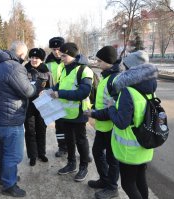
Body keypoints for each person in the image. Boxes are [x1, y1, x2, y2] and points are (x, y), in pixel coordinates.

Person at [0, 41, 37, 197]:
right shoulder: (14, 67)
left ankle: (5, 177)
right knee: (14, 154)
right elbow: (28, 91)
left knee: (4, 150)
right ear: (21, 54)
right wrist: (35, 85)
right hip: (10, 118)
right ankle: (9, 185)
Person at [106, 50, 156, 199]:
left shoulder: (128, 90)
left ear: (130, 68)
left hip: (130, 149)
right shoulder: (150, 87)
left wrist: (111, 107)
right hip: (144, 144)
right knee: (141, 179)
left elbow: (122, 123)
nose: (122, 67)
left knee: (128, 184)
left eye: (124, 65)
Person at [49, 42, 93, 182]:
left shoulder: (84, 70)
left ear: (72, 55)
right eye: (60, 55)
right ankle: (71, 163)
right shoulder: (64, 68)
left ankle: (83, 167)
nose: (61, 58)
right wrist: (51, 90)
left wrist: (60, 94)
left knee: (81, 140)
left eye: (64, 55)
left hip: (79, 113)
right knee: (69, 140)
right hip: (65, 112)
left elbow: (83, 92)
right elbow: (60, 84)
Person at [84, 46, 121, 199]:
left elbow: (115, 109)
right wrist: (94, 108)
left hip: (111, 126)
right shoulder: (106, 77)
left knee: (112, 159)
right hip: (102, 125)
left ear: (108, 61)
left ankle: (112, 187)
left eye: (99, 60)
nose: (97, 63)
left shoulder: (115, 80)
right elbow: (103, 102)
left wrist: (93, 113)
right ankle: (104, 180)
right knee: (97, 152)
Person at [24, 48, 52, 166]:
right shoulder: (24, 70)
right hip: (28, 106)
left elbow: (52, 88)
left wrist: (45, 92)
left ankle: (41, 153)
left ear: (41, 59)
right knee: (30, 131)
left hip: (42, 105)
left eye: (37, 58)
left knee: (41, 129)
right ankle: (32, 156)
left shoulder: (47, 72)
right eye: (32, 57)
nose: (34, 60)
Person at [45, 36, 67, 157]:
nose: (56, 52)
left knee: (75, 126)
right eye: (54, 49)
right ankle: (62, 147)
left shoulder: (69, 60)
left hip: (70, 97)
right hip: (55, 98)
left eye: (58, 49)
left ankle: (77, 149)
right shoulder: (47, 63)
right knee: (60, 125)